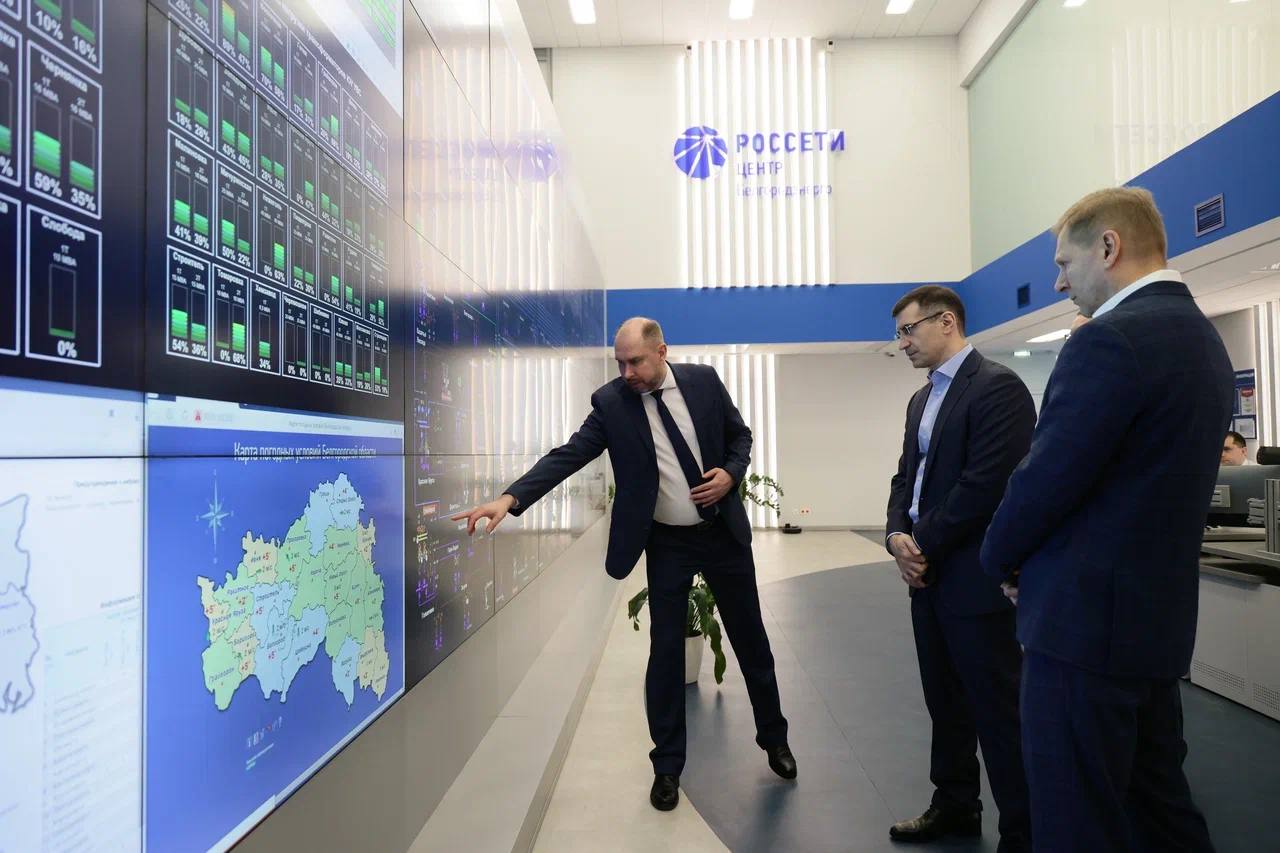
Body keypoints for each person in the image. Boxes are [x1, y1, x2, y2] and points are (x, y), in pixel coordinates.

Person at [451, 317, 794, 813]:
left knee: (752, 641)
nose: (627, 372)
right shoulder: (612, 403)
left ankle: (774, 739)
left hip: (722, 535)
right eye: (620, 363)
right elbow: (568, 455)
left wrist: (730, 474)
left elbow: (740, 438)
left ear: (662, 352)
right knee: (665, 653)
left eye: (635, 362)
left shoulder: (703, 382)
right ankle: (667, 767)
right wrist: (510, 498)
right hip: (667, 543)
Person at [981, 187, 1231, 852]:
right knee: (1160, 810)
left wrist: (997, 559)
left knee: (1075, 819)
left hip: (1082, 632)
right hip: (1153, 627)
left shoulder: (1110, 340)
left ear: (1109, 247)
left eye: (1065, 263)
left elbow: (1045, 480)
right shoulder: (1202, 338)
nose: (1059, 282)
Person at [885, 286, 1035, 851]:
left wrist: (921, 542)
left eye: (909, 330)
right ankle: (955, 805)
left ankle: (1023, 828)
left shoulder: (998, 388)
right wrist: (897, 537)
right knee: (944, 702)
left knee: (998, 709)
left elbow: (986, 485)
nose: (902, 343)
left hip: (975, 577)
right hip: (927, 578)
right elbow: (905, 478)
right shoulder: (921, 400)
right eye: (899, 334)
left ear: (946, 321)